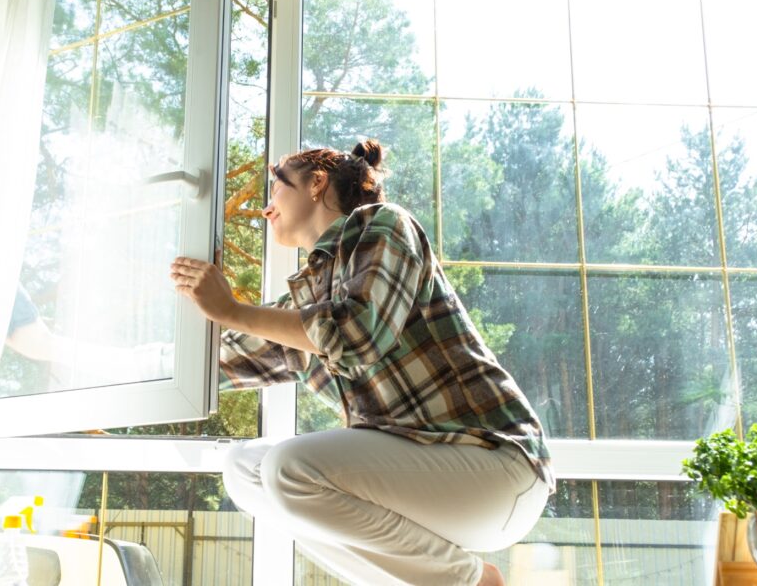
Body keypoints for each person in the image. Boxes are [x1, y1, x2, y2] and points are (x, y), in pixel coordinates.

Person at [170, 139, 555, 586]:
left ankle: (469, 582)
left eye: (275, 186)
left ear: (316, 183)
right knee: (244, 470)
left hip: (496, 469)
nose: (265, 206)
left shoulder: (386, 225)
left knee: (289, 469)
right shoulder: (304, 311)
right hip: (429, 489)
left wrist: (232, 309)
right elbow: (211, 365)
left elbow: (355, 335)